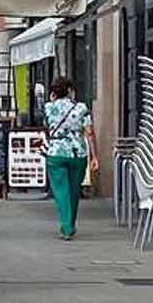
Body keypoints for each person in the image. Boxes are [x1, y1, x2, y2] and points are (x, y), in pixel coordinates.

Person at [43, 76, 96, 241]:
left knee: (61, 192)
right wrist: (94, 156)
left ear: (53, 93)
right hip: (77, 153)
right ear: (70, 91)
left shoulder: (48, 107)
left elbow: (47, 126)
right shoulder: (81, 108)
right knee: (74, 191)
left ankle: (66, 227)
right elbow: (89, 132)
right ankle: (70, 225)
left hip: (56, 153)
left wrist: (52, 102)